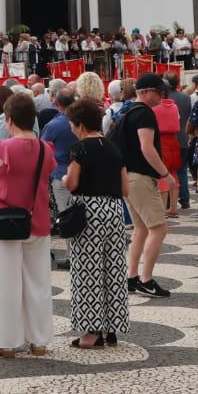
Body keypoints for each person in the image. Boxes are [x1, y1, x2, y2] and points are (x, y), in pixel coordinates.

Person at [0, 93, 54, 358]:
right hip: (37, 219)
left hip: (4, 221)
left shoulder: (0, 147)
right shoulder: (46, 148)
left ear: (9, 120)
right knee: (38, 282)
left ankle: (3, 341)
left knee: (3, 283)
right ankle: (39, 340)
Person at [62, 97, 130, 348]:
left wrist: (63, 180)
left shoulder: (80, 149)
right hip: (114, 211)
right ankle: (111, 329)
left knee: (87, 271)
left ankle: (91, 332)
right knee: (113, 270)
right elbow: (125, 189)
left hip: (88, 212)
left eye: (71, 123)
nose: (70, 127)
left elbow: (71, 184)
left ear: (79, 124)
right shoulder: (113, 148)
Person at [113, 74, 173, 299]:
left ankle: (132, 277)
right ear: (147, 92)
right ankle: (146, 280)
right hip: (140, 176)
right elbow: (147, 148)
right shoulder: (145, 114)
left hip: (127, 176)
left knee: (141, 228)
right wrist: (165, 174)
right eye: (159, 92)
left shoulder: (127, 111)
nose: (162, 96)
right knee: (159, 228)